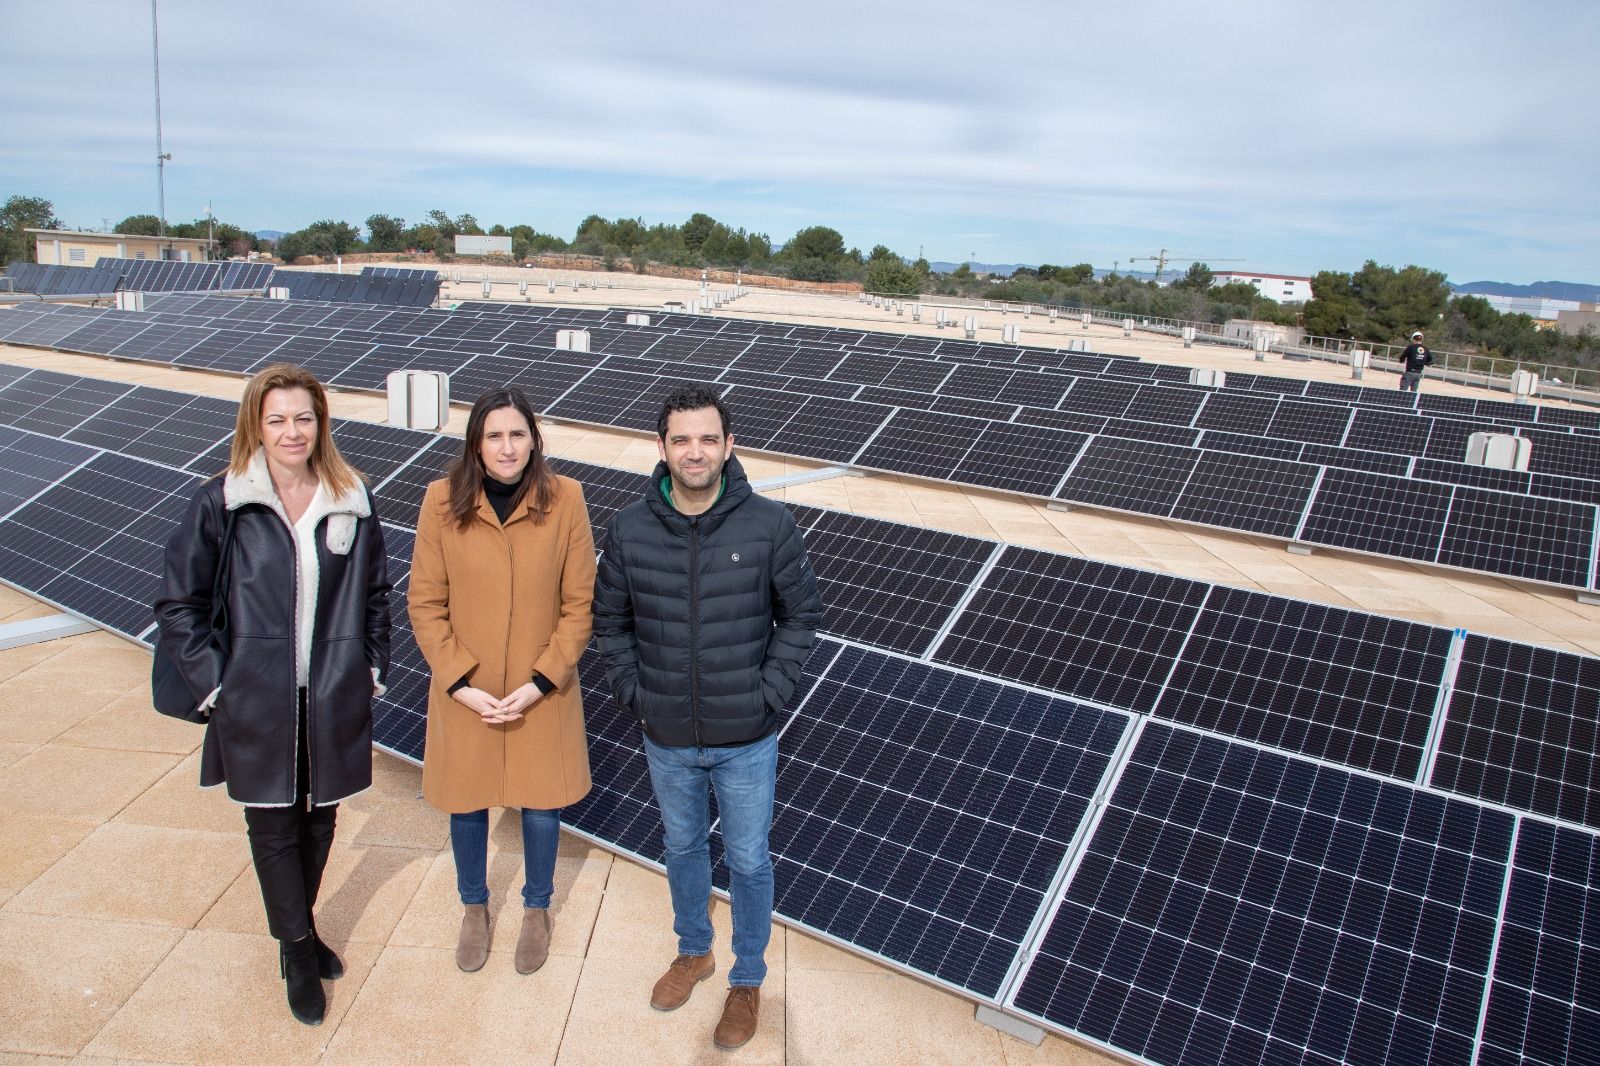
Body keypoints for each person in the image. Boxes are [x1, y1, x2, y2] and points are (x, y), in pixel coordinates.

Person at [154, 363, 391, 1027]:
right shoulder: (223, 501)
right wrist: (217, 684)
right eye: (278, 418)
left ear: (322, 423)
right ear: (256, 424)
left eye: (304, 418)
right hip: (253, 697)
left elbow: (375, 596)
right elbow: (180, 601)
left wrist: (371, 667)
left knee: (320, 819)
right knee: (272, 825)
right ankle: (295, 949)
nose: (293, 431)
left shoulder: (352, 498)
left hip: (333, 694)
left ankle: (301, 929)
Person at [592, 386, 822, 1051]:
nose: (694, 452)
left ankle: (746, 978)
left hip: (746, 738)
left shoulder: (770, 526)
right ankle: (694, 951)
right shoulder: (629, 528)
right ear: (661, 448)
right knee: (683, 849)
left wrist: (767, 692)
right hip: (665, 735)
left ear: (729, 445)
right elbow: (611, 621)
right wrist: (635, 693)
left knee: (749, 860)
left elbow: (801, 616)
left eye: (706, 439)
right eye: (680, 439)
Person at [407, 389, 596, 977]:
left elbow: (579, 604)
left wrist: (544, 679)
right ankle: (473, 906)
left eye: (518, 435)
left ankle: (536, 908)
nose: (507, 447)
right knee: (466, 803)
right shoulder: (441, 502)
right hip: (470, 688)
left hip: (542, 687)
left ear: (534, 440)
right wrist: (459, 681)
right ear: (476, 444)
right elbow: (425, 602)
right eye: (494, 436)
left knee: (540, 803)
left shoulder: (566, 500)